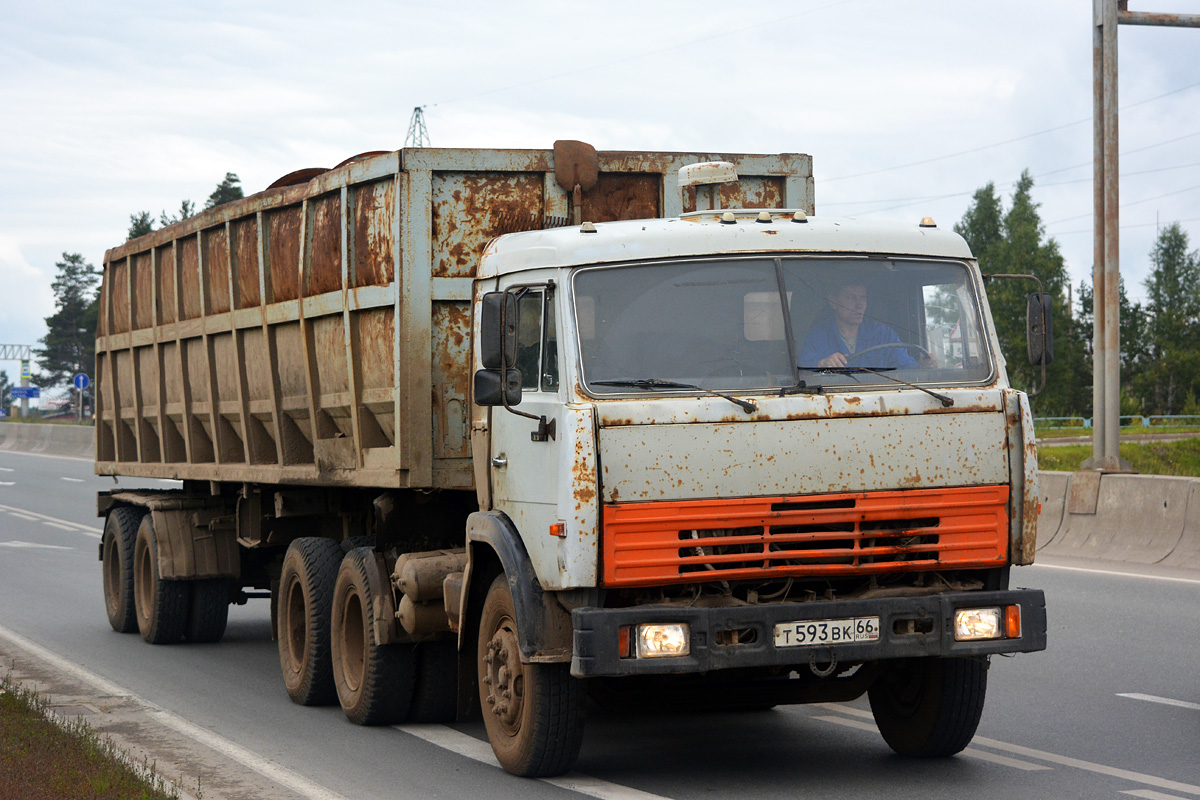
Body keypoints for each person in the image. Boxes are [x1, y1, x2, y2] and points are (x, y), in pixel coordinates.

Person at [798, 282, 924, 369]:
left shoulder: (883, 335)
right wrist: (821, 363)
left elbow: (907, 369)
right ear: (833, 302)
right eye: (852, 297)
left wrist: (924, 367)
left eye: (862, 298)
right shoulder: (817, 336)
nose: (859, 305)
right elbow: (801, 370)